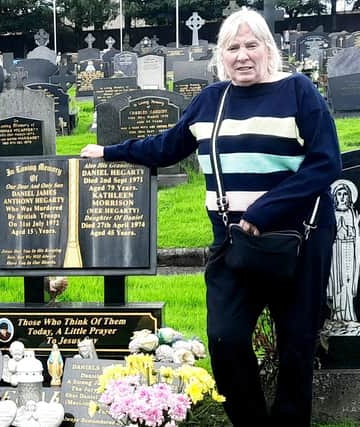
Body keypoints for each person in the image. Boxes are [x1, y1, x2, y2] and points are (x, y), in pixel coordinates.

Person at [80, 8, 341, 426]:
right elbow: (167, 147)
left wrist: (264, 209)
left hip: (299, 241)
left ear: (267, 49)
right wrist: (110, 152)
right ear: (221, 55)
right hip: (234, 243)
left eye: (251, 45)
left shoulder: (298, 91)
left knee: (296, 347)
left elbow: (325, 162)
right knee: (225, 338)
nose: (242, 55)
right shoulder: (210, 101)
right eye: (232, 47)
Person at [328, 180, 360, 321]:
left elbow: (355, 235)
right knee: (338, 283)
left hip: (349, 250)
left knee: (348, 282)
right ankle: (337, 314)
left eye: (345, 194)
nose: (342, 197)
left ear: (349, 197)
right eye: (339, 194)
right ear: (335, 197)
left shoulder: (352, 214)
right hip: (336, 252)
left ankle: (349, 315)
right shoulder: (332, 214)